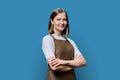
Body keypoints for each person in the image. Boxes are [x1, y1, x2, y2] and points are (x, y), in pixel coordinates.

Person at [42, 8, 86, 80]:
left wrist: (64, 62)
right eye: (58, 19)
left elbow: (83, 62)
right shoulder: (47, 39)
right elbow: (54, 67)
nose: (62, 22)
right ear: (52, 21)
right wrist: (75, 63)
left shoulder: (71, 41)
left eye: (64, 19)